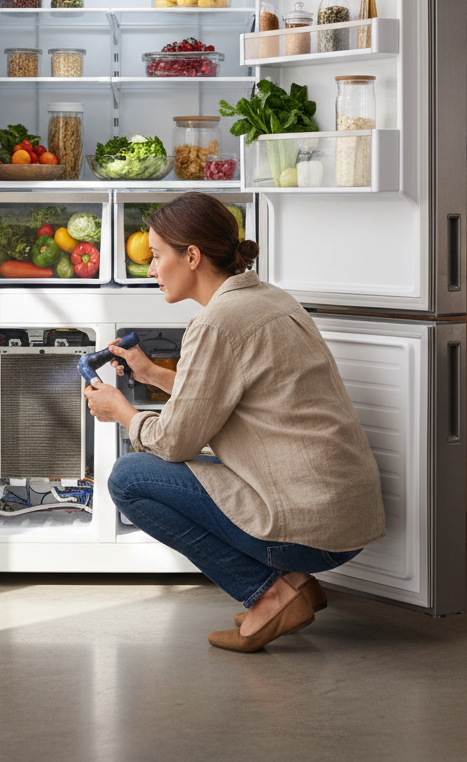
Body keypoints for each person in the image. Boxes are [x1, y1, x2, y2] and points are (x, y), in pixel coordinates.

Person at [83, 191, 386, 653]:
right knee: (175, 467)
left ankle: (270, 593)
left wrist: (122, 412)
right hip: (345, 520)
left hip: (308, 528)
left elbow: (175, 442)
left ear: (191, 256)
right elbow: (228, 392)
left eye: (156, 256)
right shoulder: (268, 298)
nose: (149, 269)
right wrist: (151, 374)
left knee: (129, 478)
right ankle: (294, 584)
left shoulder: (216, 323)